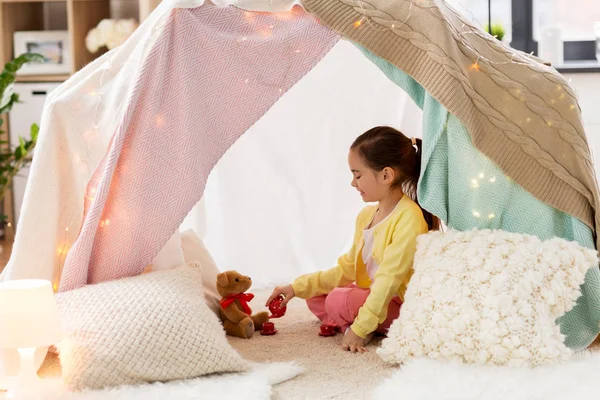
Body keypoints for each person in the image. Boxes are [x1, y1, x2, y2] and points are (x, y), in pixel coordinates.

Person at [266, 126, 439, 353]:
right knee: (316, 296)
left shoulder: (409, 218)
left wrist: (360, 329)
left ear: (386, 175)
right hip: (370, 293)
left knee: (339, 300)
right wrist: (295, 287)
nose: (353, 183)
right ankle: (352, 319)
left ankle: (358, 325)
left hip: (399, 303)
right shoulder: (367, 216)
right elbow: (346, 269)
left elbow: (388, 282)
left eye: (358, 175)